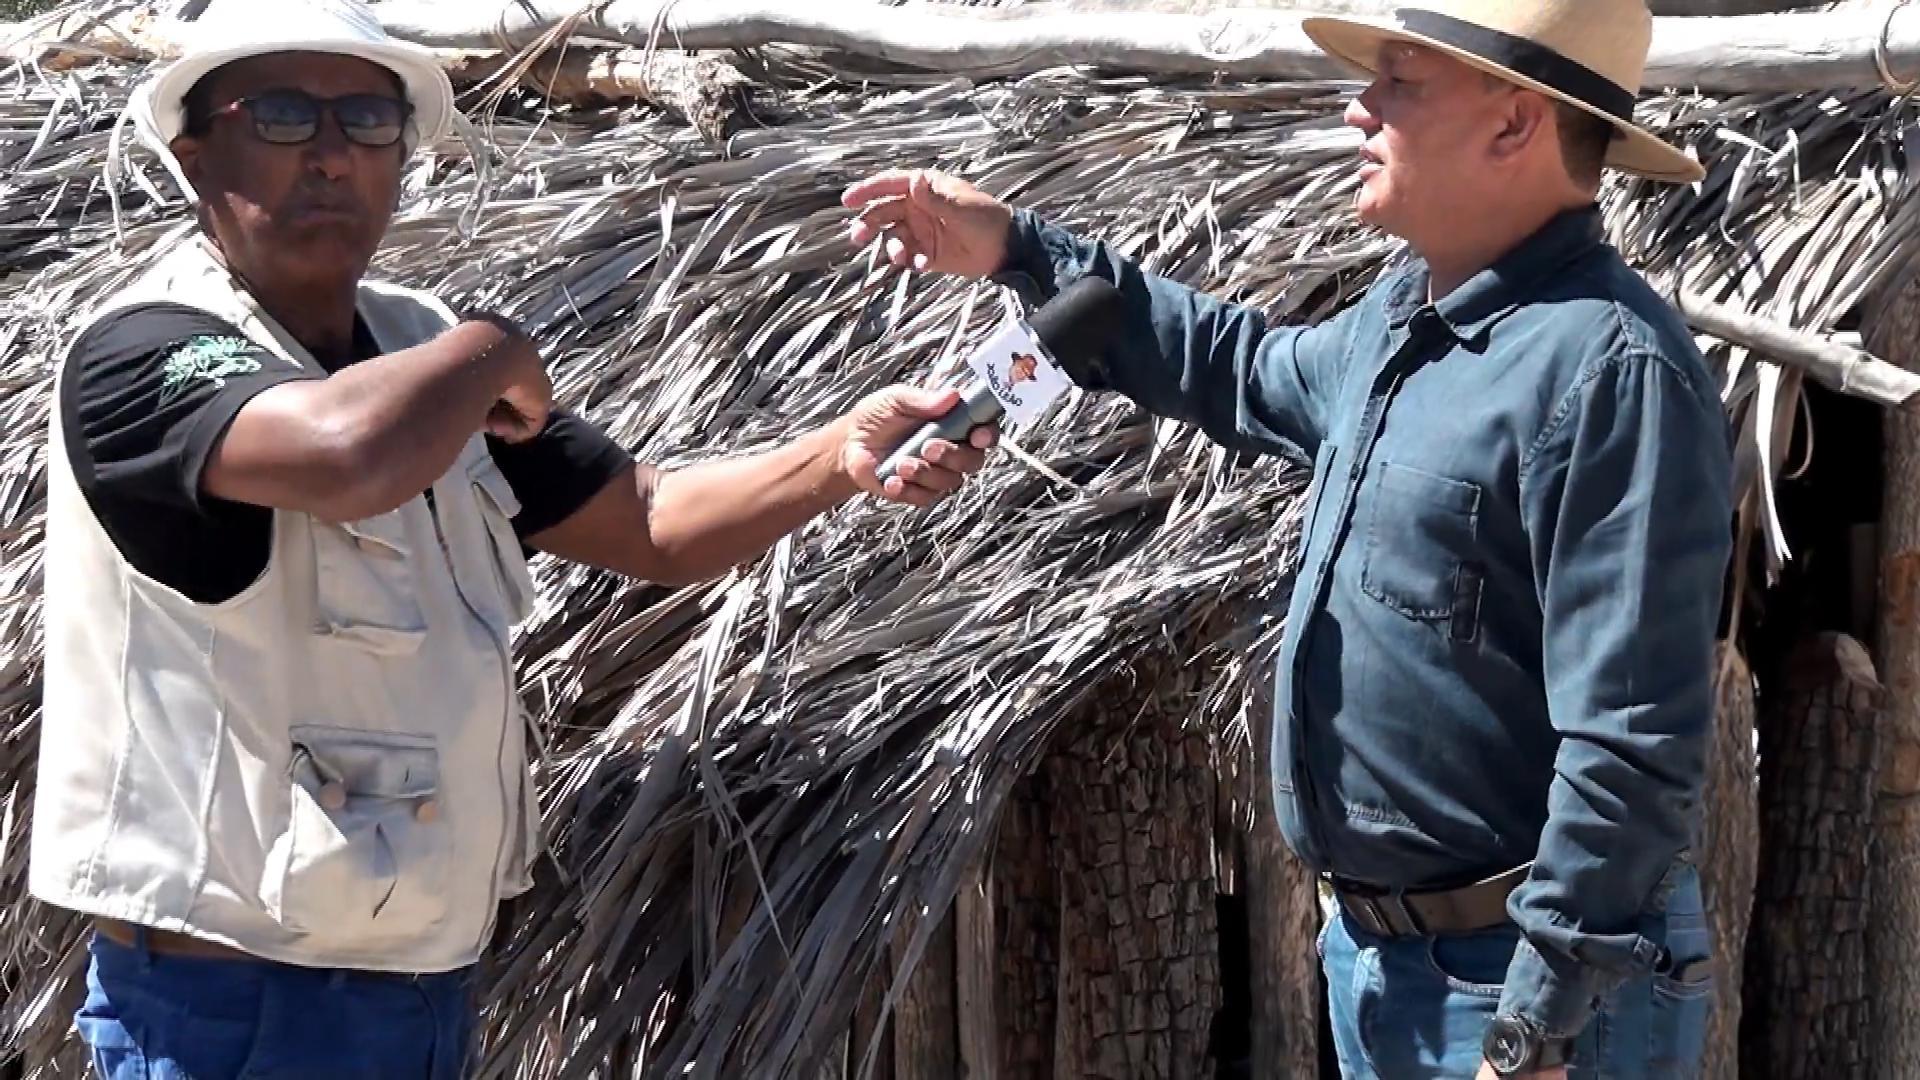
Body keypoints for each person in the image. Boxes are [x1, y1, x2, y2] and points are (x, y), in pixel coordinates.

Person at [30, 2, 995, 1076]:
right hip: (237, 1000)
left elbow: (650, 521)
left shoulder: (417, 345)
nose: (334, 155)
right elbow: (349, 457)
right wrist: (493, 349)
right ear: (194, 152)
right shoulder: (145, 351)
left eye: (368, 120)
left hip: (419, 986)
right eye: (286, 116)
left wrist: (838, 456)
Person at [843, 1, 1731, 1077]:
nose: (1359, 108)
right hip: (1385, 970)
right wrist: (1021, 249)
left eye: (1401, 81)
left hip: (1526, 993)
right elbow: (1235, 366)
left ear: (1513, 122)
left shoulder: (1611, 372)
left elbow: (1631, 744)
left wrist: (1535, 1027)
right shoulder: (1402, 319)